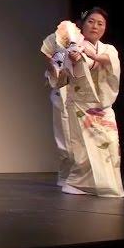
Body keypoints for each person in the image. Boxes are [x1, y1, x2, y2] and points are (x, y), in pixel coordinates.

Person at [61, 7, 123, 197]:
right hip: (82, 104)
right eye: (91, 21)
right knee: (84, 148)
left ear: (105, 28)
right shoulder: (75, 45)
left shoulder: (108, 49)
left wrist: (93, 56)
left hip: (103, 105)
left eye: (100, 23)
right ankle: (78, 184)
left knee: (111, 143)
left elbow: (109, 61)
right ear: (83, 24)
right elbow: (69, 70)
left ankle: (107, 185)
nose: (95, 26)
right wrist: (76, 58)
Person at [41, 32, 73, 187]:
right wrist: (53, 68)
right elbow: (54, 76)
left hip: (81, 98)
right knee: (64, 138)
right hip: (62, 96)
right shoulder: (57, 49)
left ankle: (82, 176)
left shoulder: (84, 48)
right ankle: (66, 175)